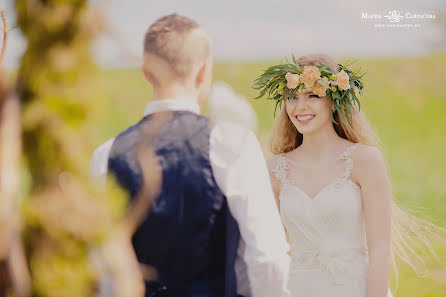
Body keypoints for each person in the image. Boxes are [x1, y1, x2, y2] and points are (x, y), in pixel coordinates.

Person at [90, 14, 291, 297]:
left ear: (146, 72)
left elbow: (100, 265)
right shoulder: (233, 145)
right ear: (203, 71)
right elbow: (267, 258)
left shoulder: (106, 155)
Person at [254, 54, 444, 297]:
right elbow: (270, 251)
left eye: (312, 95)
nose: (299, 107)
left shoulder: (365, 161)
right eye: (292, 97)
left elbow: (379, 251)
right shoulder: (274, 170)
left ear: (334, 100)